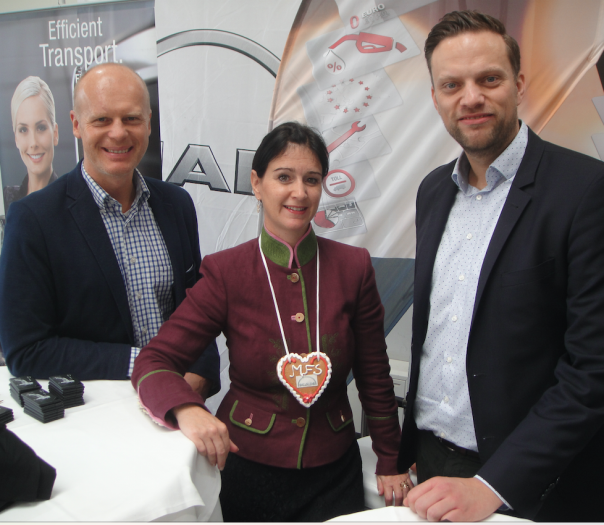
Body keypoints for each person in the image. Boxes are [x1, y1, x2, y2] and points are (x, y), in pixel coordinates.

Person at [132, 121, 407, 522]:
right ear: (257, 184)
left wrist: (390, 460)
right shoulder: (226, 272)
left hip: (334, 471)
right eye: (284, 177)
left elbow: (375, 376)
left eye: (311, 179)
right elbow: (153, 362)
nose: (300, 192)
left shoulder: (354, 267)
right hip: (246, 467)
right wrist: (186, 409)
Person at [397, 10, 604, 522]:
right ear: (435, 97)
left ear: (519, 84)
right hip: (432, 461)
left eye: (489, 79)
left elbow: (593, 370)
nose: (470, 98)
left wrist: (494, 484)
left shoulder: (585, 192)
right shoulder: (432, 191)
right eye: (452, 85)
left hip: (532, 482)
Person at [0, 63, 219, 399]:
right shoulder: (33, 220)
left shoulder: (176, 205)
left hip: (179, 405)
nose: (118, 133)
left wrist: (199, 377)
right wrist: (146, 364)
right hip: (97, 416)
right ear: (76, 124)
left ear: (149, 122)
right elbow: (25, 350)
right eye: (102, 119)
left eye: (131, 118)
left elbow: (198, 311)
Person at [4, 76, 59, 212]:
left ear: (55, 133)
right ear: (16, 138)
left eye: (41, 128)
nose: (33, 143)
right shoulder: (7, 199)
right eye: (23, 130)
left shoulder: (74, 202)